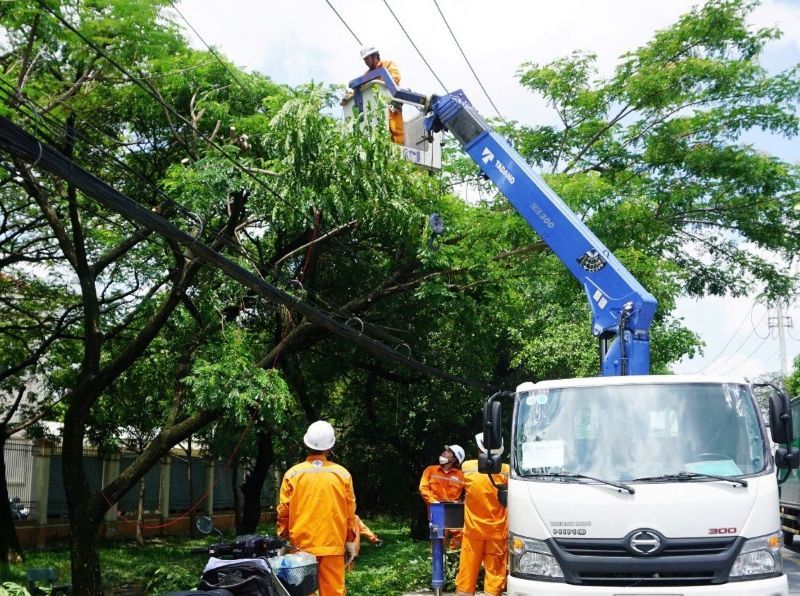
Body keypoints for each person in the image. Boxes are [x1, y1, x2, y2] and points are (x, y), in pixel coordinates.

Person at [277, 420, 357, 596]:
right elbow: (350, 512)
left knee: (303, 592)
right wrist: (350, 540)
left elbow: (284, 510)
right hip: (332, 545)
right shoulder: (342, 474)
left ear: (306, 444)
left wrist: (283, 537)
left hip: (301, 547)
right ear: (330, 447)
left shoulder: (293, 474)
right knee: (333, 592)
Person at [455, 432, 509, 596]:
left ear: (479, 447)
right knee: (494, 577)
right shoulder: (506, 470)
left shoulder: (467, 468)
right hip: (498, 533)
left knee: (466, 576)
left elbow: (454, 493)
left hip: (473, 532)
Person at [419, 444, 465, 549]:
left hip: (454, 515)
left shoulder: (461, 475)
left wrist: (463, 505)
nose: (444, 452)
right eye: (445, 451)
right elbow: (423, 488)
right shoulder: (430, 470)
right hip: (436, 513)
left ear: (454, 459)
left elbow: (469, 492)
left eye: (449, 452)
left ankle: (453, 558)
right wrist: (433, 501)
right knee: (437, 545)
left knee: (461, 538)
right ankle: (436, 563)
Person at [360, 45, 405, 145]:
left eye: (366, 59)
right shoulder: (366, 75)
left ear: (374, 56)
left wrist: (378, 82)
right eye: (364, 60)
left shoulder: (388, 65)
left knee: (396, 138)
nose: (365, 62)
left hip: (391, 109)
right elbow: (360, 89)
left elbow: (395, 79)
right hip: (376, 112)